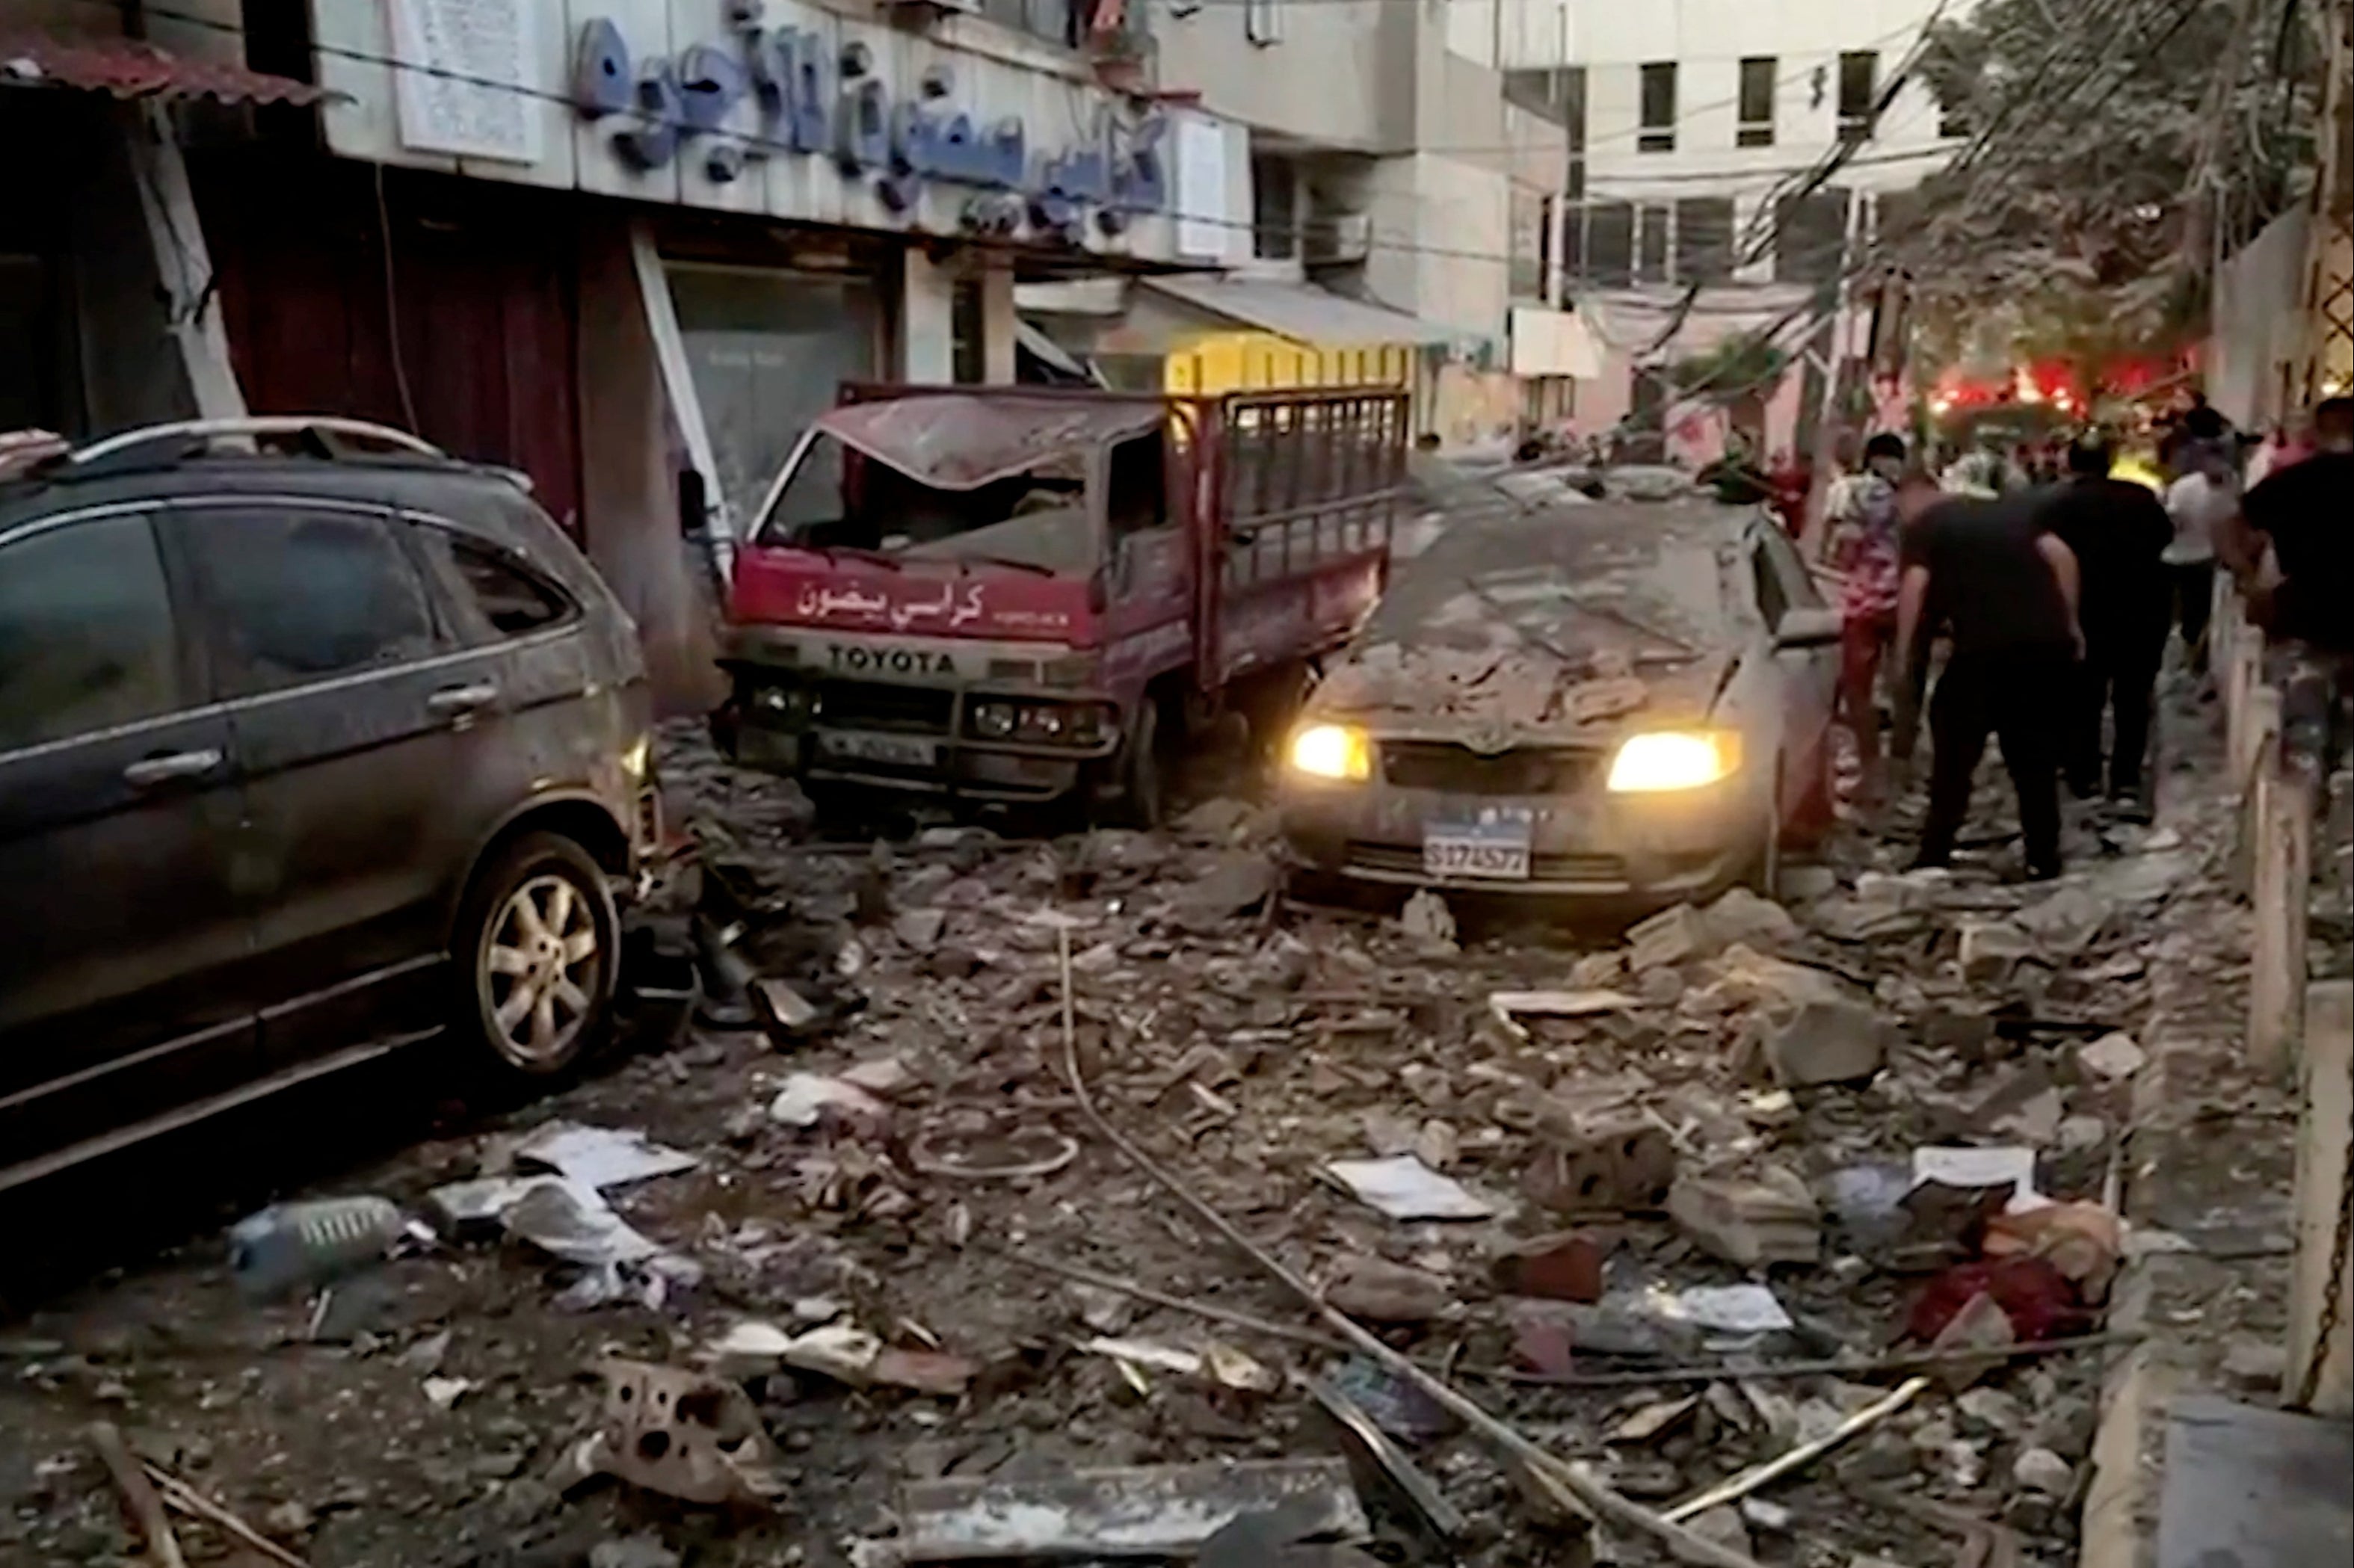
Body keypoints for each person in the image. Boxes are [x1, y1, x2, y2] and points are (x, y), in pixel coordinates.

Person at [1898, 486, 2084, 880]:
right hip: (2041, 648)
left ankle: (1934, 853)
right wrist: (2069, 622)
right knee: (2035, 759)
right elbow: (2061, 555)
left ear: (1912, 497)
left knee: (1953, 757)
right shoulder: (2013, 514)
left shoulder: (1925, 527)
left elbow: (1914, 588)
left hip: (1979, 653)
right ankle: (2043, 857)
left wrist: (1905, 656)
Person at [2041, 433, 2175, 817]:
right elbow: (2164, 538)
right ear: (2110, 461)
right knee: (2133, 698)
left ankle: (2083, 776)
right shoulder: (2140, 498)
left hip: (2085, 611)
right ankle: (2126, 778)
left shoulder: (2057, 505)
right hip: (2142, 609)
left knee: (2082, 697)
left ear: (2070, 462)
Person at [1824, 433, 1908, 789]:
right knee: (1904, 683)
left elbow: (1839, 548)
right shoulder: (1915, 494)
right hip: (1906, 600)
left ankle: (1870, 768)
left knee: (1859, 688)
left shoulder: (1848, 491)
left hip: (1863, 602)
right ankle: (1901, 767)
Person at [2160, 441, 2234, 675]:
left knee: (2196, 614)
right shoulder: (2188, 487)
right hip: (2183, 557)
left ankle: (2190, 658)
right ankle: (2185, 657)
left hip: (2202, 558)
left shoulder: (2228, 486)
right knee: (2189, 612)